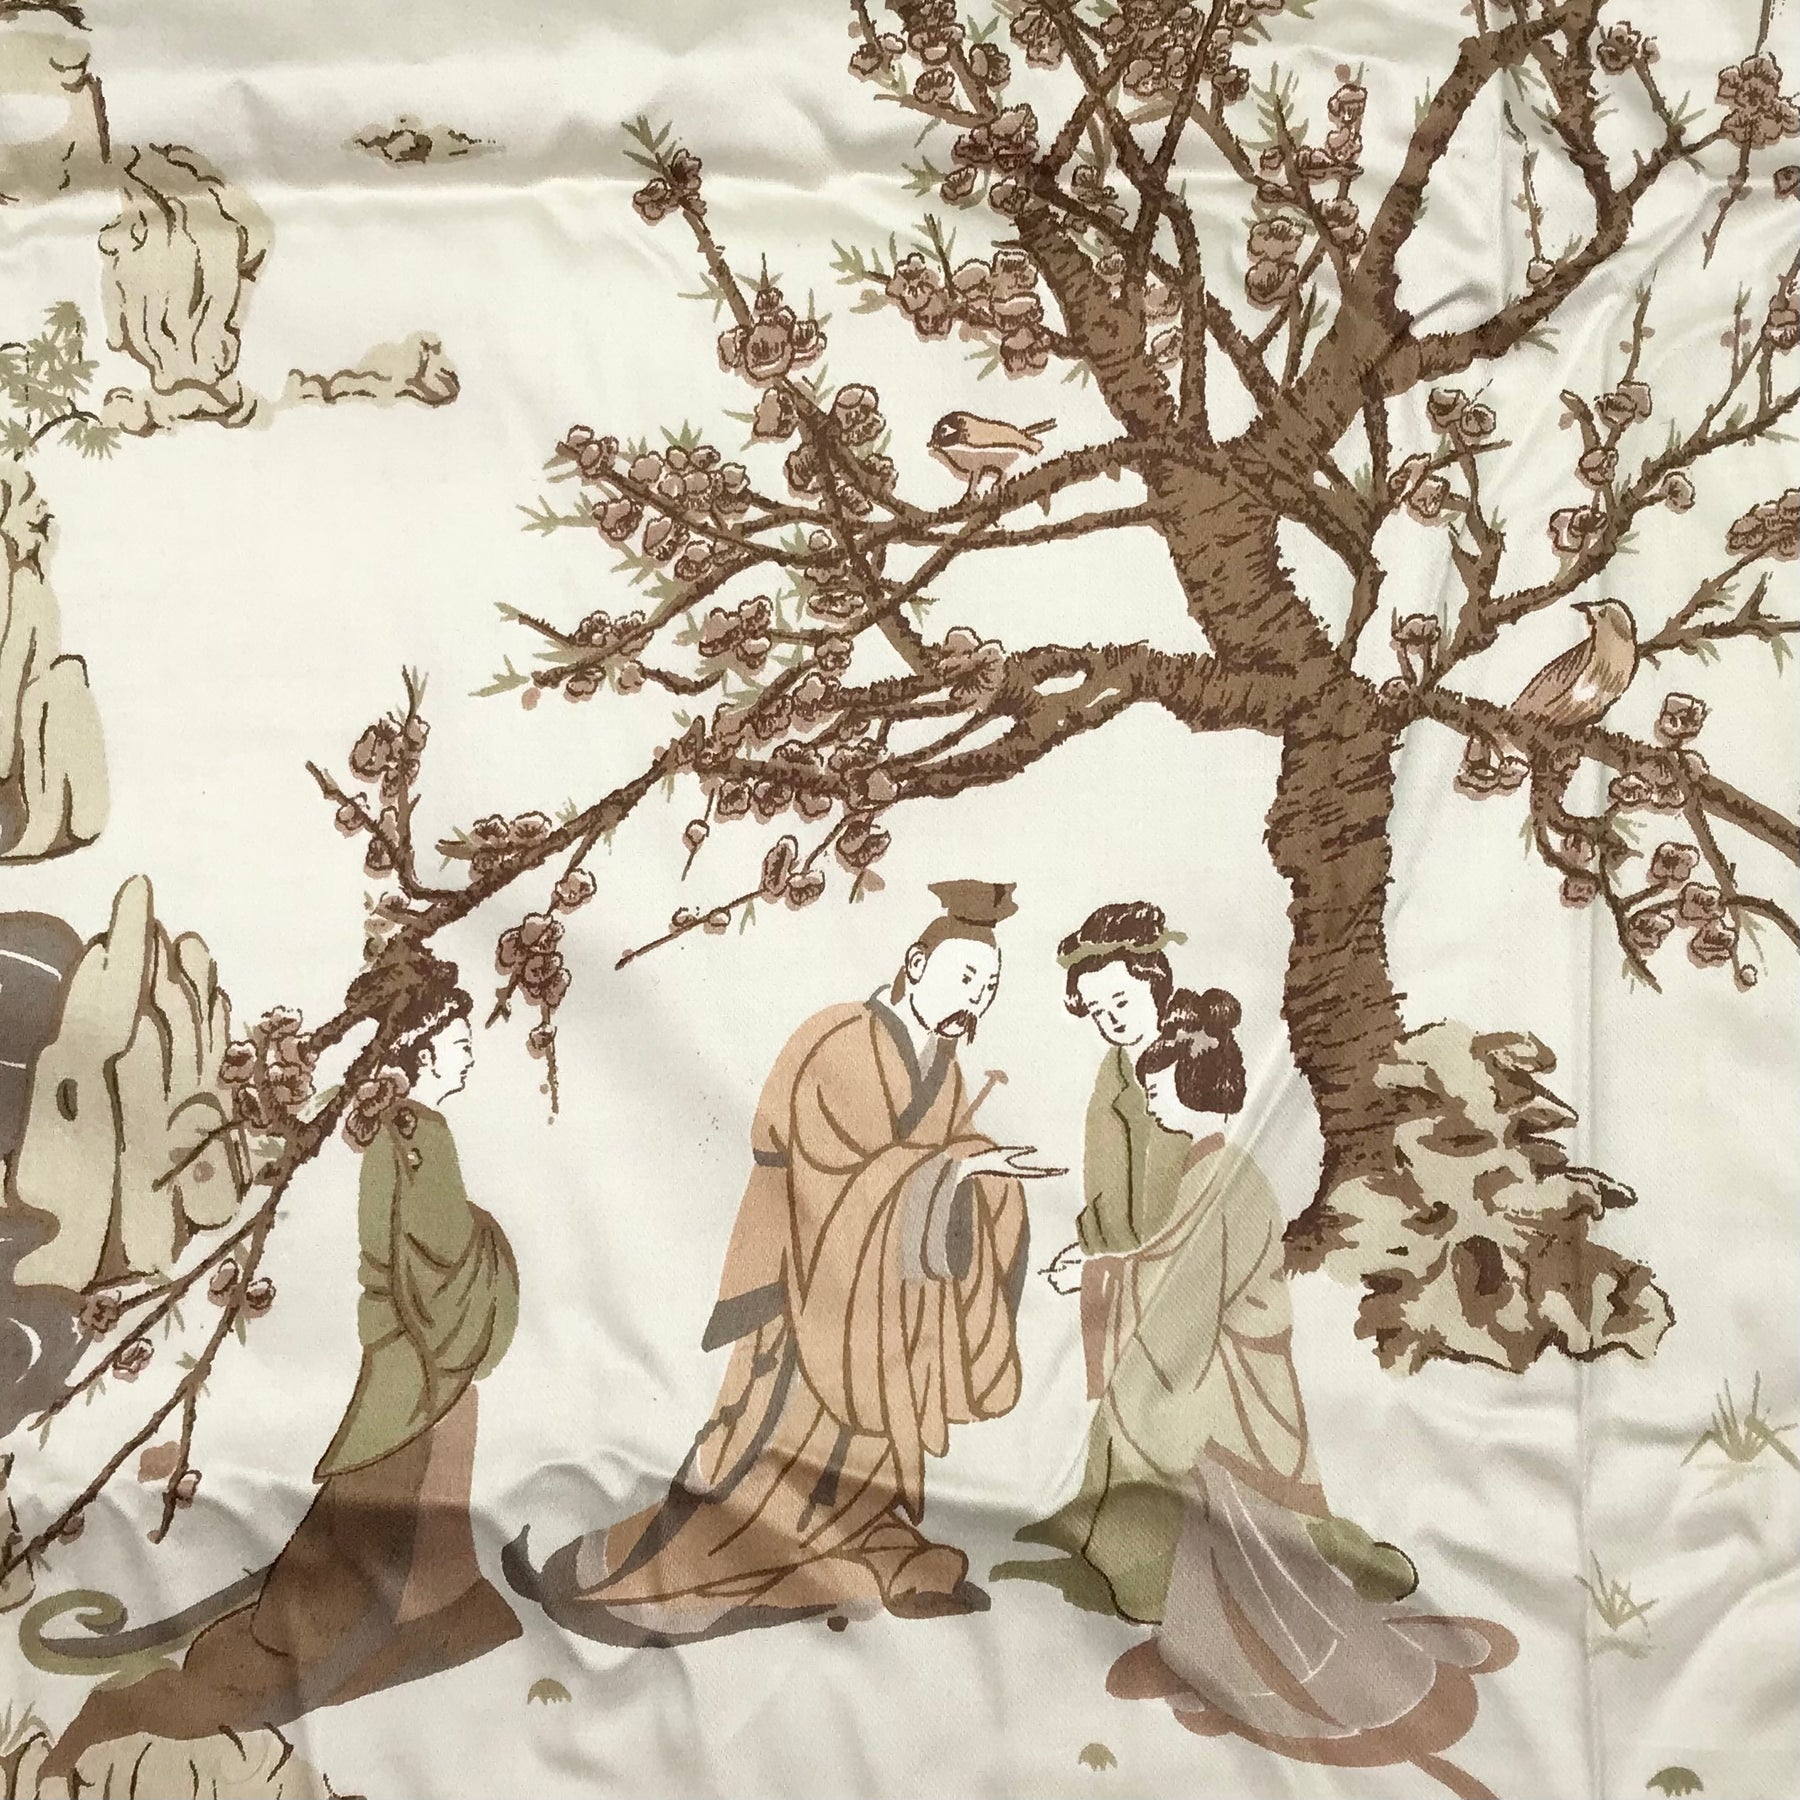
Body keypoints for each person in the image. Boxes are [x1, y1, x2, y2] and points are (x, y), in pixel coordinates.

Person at [505, 878, 1061, 1645]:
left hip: (883, 1300)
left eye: (988, 989)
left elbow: (932, 1163)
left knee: (866, 1453)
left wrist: (981, 1176)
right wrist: (955, 1172)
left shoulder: (945, 1070)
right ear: (915, 963)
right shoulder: (840, 1040)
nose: (977, 1000)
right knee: (766, 1455)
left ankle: (868, 1545)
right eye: (967, 977)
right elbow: (830, 1175)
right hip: (807, 1280)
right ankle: (639, 1578)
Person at [38, 966, 522, 1774]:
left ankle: (113, 1725)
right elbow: (424, 1278)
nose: (468, 1048)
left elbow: (437, 1287)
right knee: (314, 1647)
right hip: (401, 1415)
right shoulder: (404, 1139)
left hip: (412, 1413)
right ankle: (98, 1731)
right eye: (456, 1033)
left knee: (372, 1632)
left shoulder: (407, 1142)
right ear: (421, 1040)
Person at [1102, 991, 1518, 1800]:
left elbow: (1193, 1285)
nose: (1151, 1106)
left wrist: (1121, 1289)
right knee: (1215, 1527)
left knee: (1248, 1530)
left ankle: (1287, 1669)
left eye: (1158, 1091)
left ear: (1191, 1088)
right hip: (1219, 1372)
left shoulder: (1224, 1178)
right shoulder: (1206, 1173)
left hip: (1230, 1382)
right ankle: (1207, 1647)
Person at [991, 899, 1196, 1621]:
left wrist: (1116, 1263)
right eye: (1098, 1008)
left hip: (1178, 1271)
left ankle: (1153, 1572)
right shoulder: (1116, 1065)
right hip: (1122, 1261)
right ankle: (1103, 1542)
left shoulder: (1184, 1064)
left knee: (1161, 1416)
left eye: (1123, 1001)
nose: (1111, 1018)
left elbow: (1186, 1192)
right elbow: (1104, 1169)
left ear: (1156, 984)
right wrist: (1087, 1242)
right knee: (1118, 1403)